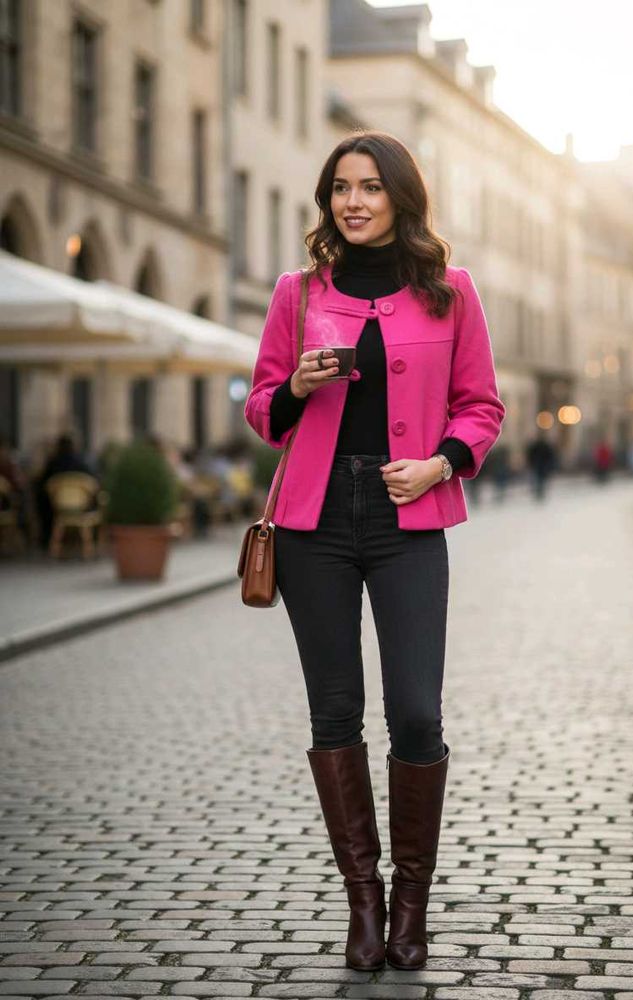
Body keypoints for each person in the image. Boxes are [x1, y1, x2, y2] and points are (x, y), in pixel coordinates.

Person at [244, 131, 506, 972]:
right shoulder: (296, 292)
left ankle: (411, 905)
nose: (353, 202)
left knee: (418, 712)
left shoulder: (451, 292)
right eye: (340, 189)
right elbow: (260, 409)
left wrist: (442, 462)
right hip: (313, 523)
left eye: (369, 188)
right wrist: (297, 387)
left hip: (409, 519)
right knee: (333, 711)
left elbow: (482, 407)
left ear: (400, 196)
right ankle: (363, 902)